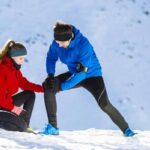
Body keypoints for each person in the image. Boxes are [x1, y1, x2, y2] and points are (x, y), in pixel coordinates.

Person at [41, 21, 135, 136]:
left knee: (104, 104)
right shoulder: (57, 43)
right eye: (57, 42)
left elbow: (82, 74)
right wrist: (50, 75)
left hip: (91, 75)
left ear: (70, 38)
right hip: (74, 72)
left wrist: (62, 86)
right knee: (49, 86)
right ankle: (53, 127)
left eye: (62, 43)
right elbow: (51, 57)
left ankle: (127, 130)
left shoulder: (84, 45)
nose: (59, 45)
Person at [0, 40, 43, 132]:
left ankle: (26, 126)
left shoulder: (14, 69)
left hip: (6, 105)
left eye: (24, 58)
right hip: (2, 105)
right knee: (19, 127)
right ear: (13, 57)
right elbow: (1, 97)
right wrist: (15, 109)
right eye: (21, 58)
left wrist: (43, 89)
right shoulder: (2, 70)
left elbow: (24, 84)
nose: (22, 61)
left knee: (30, 94)